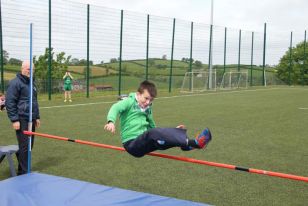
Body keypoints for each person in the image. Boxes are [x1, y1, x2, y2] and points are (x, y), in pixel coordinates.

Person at [104, 80, 212, 158]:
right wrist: (111, 121)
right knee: (154, 133)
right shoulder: (129, 102)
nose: (148, 102)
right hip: (132, 144)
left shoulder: (148, 107)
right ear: (138, 94)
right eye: (146, 98)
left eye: (151, 100)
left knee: (163, 139)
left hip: (145, 142)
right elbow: (115, 108)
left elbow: (151, 124)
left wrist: (168, 133)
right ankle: (189, 142)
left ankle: (190, 144)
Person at [5, 60, 40, 175]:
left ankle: (22, 169)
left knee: (29, 146)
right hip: (21, 118)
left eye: (32, 69)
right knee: (24, 146)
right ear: (22, 69)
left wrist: (37, 117)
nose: (31, 71)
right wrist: (14, 119)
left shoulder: (32, 83)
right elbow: (10, 102)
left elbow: (34, 101)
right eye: (28, 69)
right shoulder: (15, 83)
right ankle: (25, 172)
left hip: (31, 119)